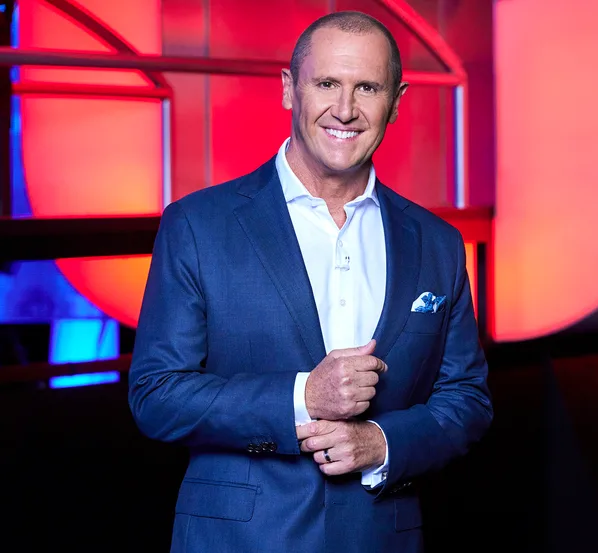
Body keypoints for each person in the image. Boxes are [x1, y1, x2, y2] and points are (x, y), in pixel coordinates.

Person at [128, 10, 492, 553]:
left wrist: (381, 443)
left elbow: (466, 399)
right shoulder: (199, 224)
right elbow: (156, 395)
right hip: (238, 540)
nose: (344, 109)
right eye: (326, 83)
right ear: (288, 89)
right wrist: (304, 396)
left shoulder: (436, 242)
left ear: (395, 101)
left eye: (366, 87)